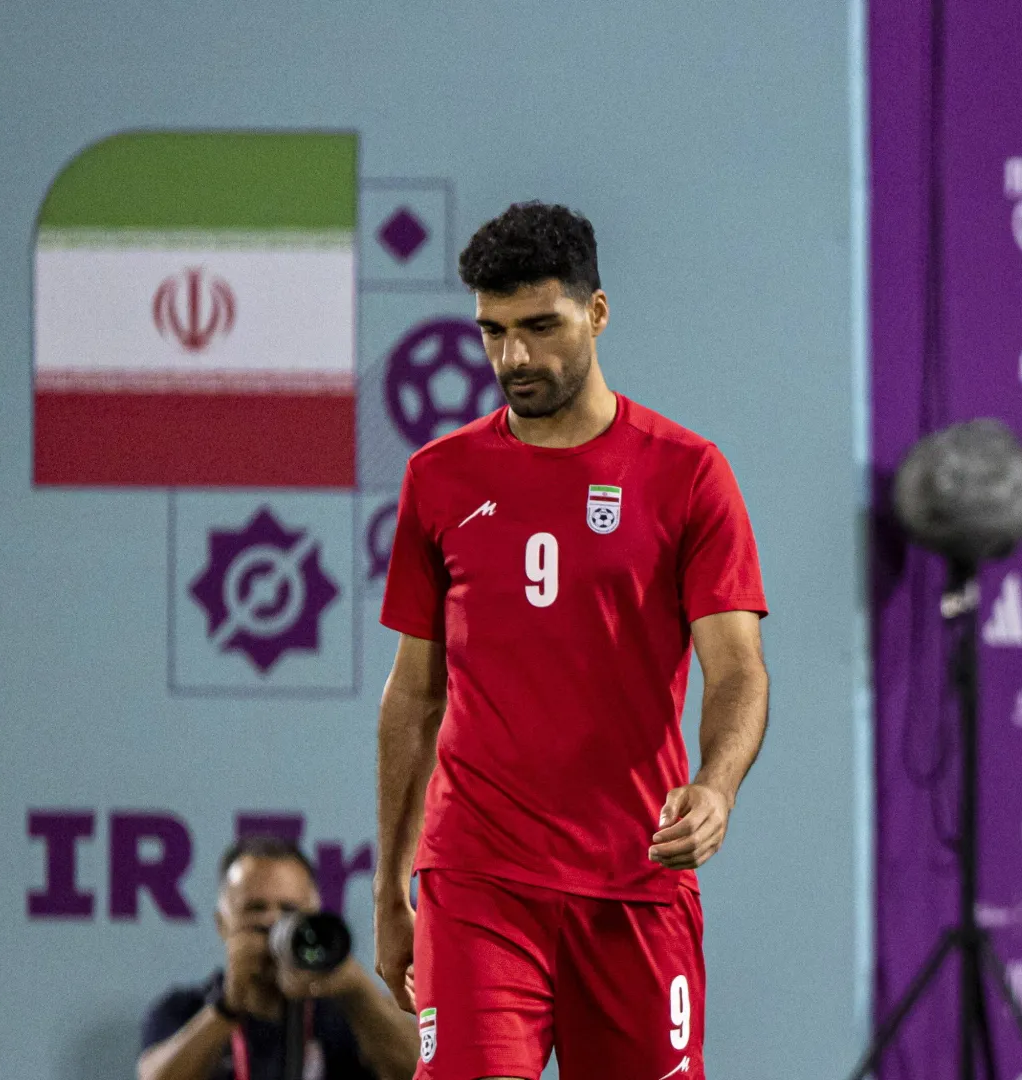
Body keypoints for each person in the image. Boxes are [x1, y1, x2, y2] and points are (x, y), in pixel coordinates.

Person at [374, 201, 769, 1080]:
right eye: (493, 332)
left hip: (634, 880)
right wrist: (387, 890)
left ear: (596, 313)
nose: (515, 357)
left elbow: (736, 668)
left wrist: (717, 787)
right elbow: (413, 696)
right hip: (478, 879)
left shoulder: (688, 474)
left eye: (541, 327)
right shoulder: (437, 481)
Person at [138, 836, 418, 1080]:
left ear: (313, 916)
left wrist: (359, 992)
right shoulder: (184, 1010)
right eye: (256, 909)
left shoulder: (348, 1015)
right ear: (222, 923)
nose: (274, 922)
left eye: (289, 909)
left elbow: (425, 1072)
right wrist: (227, 1007)